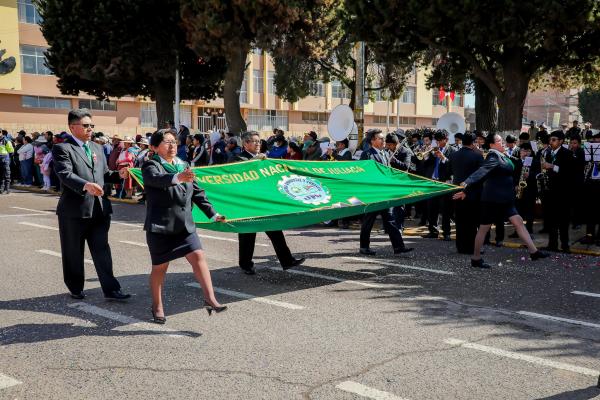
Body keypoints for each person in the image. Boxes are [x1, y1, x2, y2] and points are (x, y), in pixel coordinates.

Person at [142, 129, 227, 323]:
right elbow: (156, 180)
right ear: (154, 147)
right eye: (166, 142)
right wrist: (178, 178)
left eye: (174, 141)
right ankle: (157, 306)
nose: (172, 145)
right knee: (160, 268)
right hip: (161, 226)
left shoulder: (183, 165)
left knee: (198, 256)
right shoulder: (151, 165)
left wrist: (213, 214)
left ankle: (210, 299)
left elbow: (197, 192)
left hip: (184, 225)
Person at [52, 108, 131, 300]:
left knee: (102, 250)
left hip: (99, 209)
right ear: (72, 127)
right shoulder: (63, 148)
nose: (90, 129)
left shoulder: (97, 148)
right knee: (73, 252)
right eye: (86, 125)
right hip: (74, 211)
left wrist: (119, 175)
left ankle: (111, 289)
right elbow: (65, 174)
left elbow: (104, 174)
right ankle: (76, 287)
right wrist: (85, 185)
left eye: (91, 125)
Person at [453, 133, 548, 269]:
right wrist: (466, 184)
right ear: (492, 144)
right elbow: (482, 171)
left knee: (518, 222)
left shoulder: (503, 155)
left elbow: (514, 167)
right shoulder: (493, 156)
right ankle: (476, 258)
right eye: (499, 141)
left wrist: (526, 157)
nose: (502, 142)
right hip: (492, 200)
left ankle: (534, 252)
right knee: (483, 229)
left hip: (506, 199)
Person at [233, 131, 305, 275]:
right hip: (247, 203)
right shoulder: (238, 158)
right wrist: (255, 161)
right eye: (254, 141)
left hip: (263, 202)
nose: (258, 144)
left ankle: (287, 260)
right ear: (246, 144)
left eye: (259, 141)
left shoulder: (264, 158)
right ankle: (246, 265)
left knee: (275, 229)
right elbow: (238, 172)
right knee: (247, 235)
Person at [359, 129, 413, 256]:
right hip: (373, 194)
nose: (383, 140)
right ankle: (364, 247)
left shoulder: (386, 154)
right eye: (380, 138)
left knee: (390, 220)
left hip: (385, 193)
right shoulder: (367, 154)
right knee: (368, 221)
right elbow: (364, 173)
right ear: (373, 141)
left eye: (383, 138)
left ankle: (398, 247)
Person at [449, 132, 483, 254]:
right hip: (472, 193)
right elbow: (480, 177)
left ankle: (460, 247)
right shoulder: (477, 156)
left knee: (460, 221)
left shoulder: (453, 155)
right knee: (472, 222)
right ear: (473, 143)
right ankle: (471, 247)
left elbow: (449, 172)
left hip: (456, 191)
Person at [541, 130, 575, 253]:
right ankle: (552, 244)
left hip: (563, 193)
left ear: (561, 141)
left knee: (563, 221)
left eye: (554, 140)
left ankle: (565, 245)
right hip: (551, 191)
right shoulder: (548, 153)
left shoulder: (567, 153)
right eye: (550, 140)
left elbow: (569, 172)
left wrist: (551, 166)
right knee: (551, 220)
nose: (551, 142)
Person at [422, 130, 455, 241]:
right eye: (436, 141)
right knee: (431, 207)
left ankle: (446, 233)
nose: (438, 143)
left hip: (444, 182)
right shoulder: (434, 149)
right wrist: (426, 155)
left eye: (440, 140)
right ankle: (433, 231)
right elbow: (426, 164)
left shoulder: (452, 150)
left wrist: (443, 158)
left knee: (445, 209)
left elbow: (452, 167)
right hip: (433, 181)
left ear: (446, 139)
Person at [0, 129, 14, 194]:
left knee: (6, 174)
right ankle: (1, 188)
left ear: (1, 133)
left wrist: (7, 158)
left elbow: (11, 151)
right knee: (1, 175)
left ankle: (7, 189)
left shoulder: (6, 140)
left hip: (5, 159)